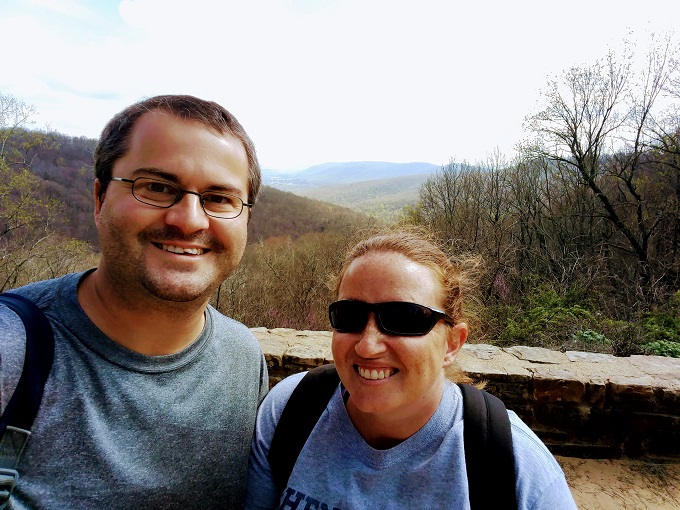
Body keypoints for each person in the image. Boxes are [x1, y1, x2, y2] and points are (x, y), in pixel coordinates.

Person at [0, 95, 268, 509]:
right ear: (99, 198)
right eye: (157, 188)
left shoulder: (244, 361)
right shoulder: (11, 350)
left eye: (219, 198)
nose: (189, 219)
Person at [244, 229, 577, 509]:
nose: (367, 346)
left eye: (404, 319)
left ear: (453, 343)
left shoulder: (515, 470)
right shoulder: (290, 410)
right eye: (350, 316)